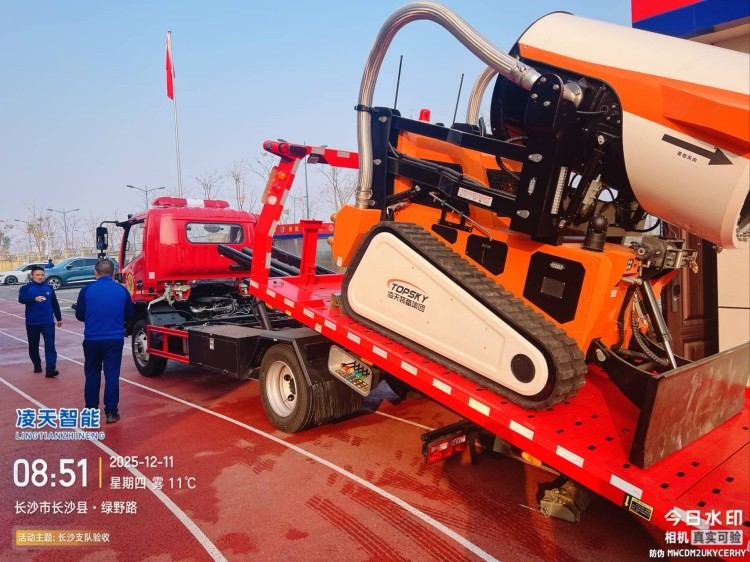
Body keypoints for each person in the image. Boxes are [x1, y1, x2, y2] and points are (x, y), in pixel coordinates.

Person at [75, 259, 133, 424]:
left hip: (92, 339)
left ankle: (91, 410)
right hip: (114, 339)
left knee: (92, 374)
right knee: (112, 375)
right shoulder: (122, 290)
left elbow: (79, 315)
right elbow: (129, 314)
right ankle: (111, 412)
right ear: (113, 273)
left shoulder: (86, 290)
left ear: (96, 273)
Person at [18, 265, 62, 377]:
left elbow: (54, 303)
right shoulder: (26, 288)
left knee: (50, 346)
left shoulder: (49, 288)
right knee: (33, 346)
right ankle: (37, 365)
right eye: (37, 275)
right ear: (32, 276)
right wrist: (34, 299)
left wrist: (59, 318)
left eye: (42, 275)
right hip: (32, 322)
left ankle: (50, 369)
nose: (40, 277)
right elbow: (21, 299)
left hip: (47, 322)